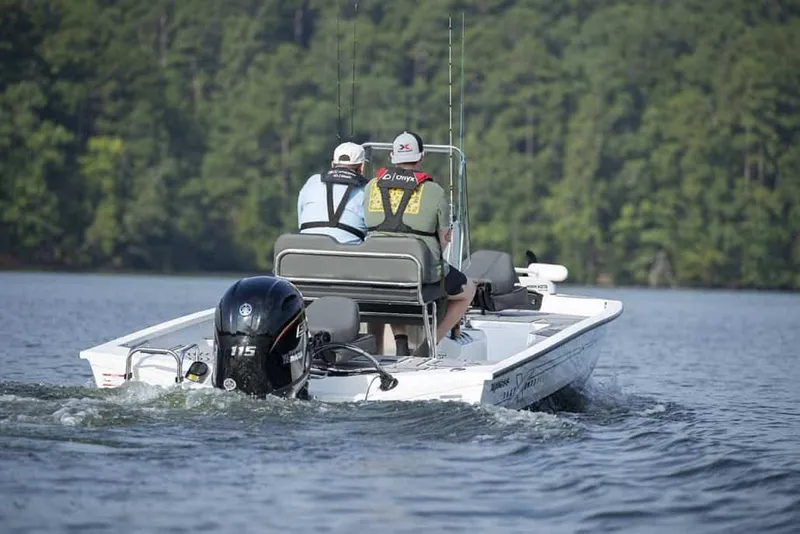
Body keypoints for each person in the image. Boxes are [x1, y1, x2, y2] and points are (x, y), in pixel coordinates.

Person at [363, 131, 476, 357]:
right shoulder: (434, 191)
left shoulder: (371, 187)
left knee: (392, 282)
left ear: (391, 156)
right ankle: (428, 346)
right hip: (418, 276)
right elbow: (445, 238)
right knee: (468, 290)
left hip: (377, 272)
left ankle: (401, 341)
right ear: (421, 157)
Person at [297, 142, 369, 244]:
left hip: (304, 252)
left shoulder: (313, 181)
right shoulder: (367, 189)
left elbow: (301, 221)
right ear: (362, 167)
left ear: (332, 164)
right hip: (346, 257)